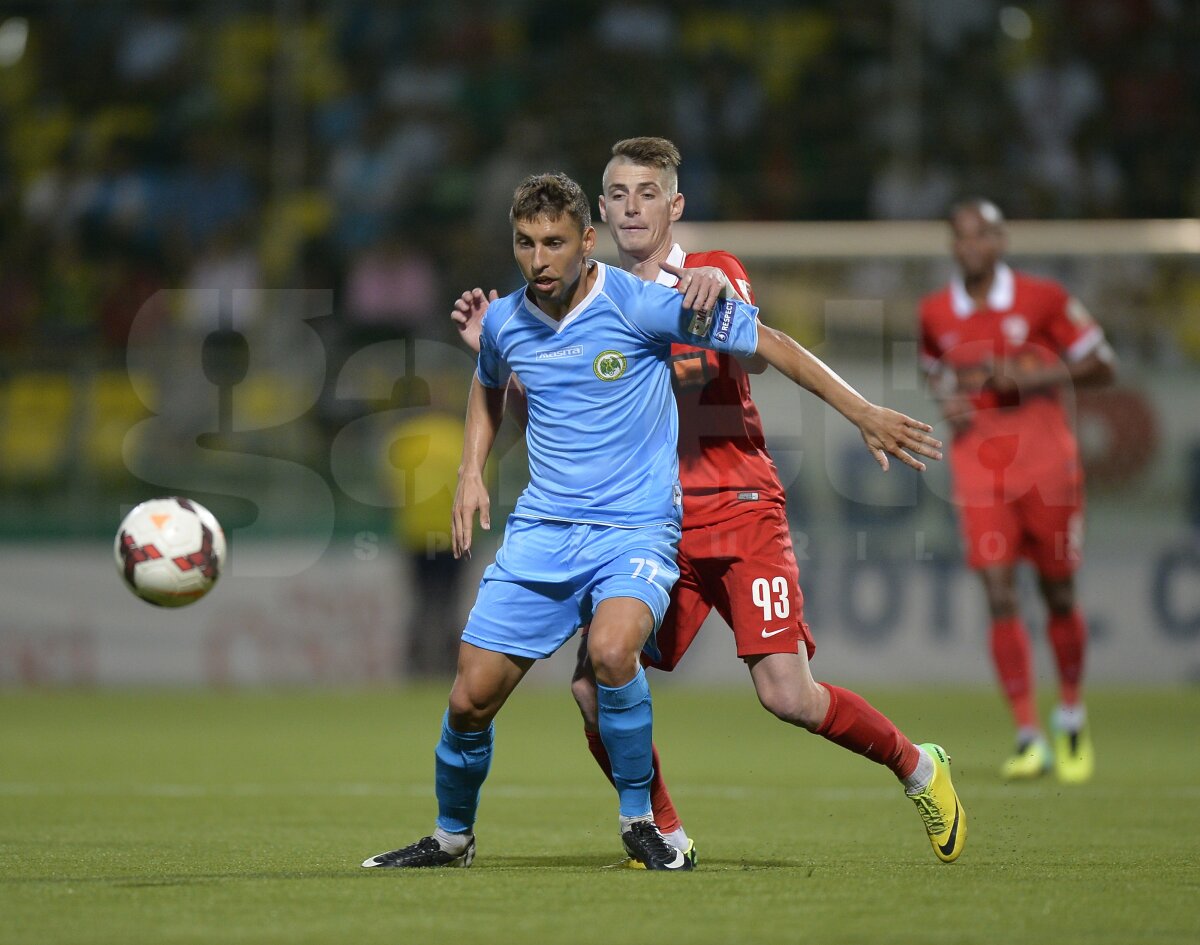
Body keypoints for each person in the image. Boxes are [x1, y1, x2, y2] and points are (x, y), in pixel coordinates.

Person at [450, 138, 968, 866]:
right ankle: (661, 828)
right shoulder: (584, 303)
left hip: (738, 505)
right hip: (649, 527)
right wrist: (513, 360)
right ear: (599, 214)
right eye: (620, 194)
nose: (634, 206)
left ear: (675, 205)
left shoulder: (708, 276)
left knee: (788, 694)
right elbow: (547, 422)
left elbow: (752, 347)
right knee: (595, 687)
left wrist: (859, 409)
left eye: (648, 193)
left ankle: (918, 764)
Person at [919, 198, 1116, 783]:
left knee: (1057, 593)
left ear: (1001, 241)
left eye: (980, 236)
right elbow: (934, 367)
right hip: (980, 468)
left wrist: (1034, 375)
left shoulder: (1044, 299)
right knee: (999, 593)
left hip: (1048, 467)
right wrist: (949, 400)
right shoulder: (934, 311)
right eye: (960, 237)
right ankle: (1030, 735)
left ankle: (1072, 715)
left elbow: (1102, 364)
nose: (970, 246)